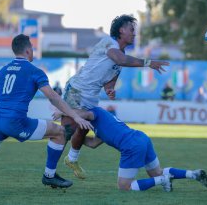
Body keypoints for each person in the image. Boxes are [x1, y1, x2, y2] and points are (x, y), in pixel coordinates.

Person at [0, 34, 93, 191]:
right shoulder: (35, 71)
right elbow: (53, 97)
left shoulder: (3, 70)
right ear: (28, 51)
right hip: (15, 122)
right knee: (60, 132)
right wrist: (75, 116)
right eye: (33, 49)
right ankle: (49, 176)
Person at [62, 15, 170, 179]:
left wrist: (110, 90)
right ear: (121, 30)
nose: (135, 33)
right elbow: (120, 59)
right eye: (132, 29)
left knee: (83, 129)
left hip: (91, 95)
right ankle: (50, 170)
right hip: (77, 89)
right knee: (66, 131)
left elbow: (110, 82)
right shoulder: (109, 43)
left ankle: (71, 159)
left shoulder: (122, 56)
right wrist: (148, 63)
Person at [54, 107, 207, 192]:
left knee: (124, 187)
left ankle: (163, 180)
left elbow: (84, 113)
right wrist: (72, 136)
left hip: (131, 146)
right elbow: (93, 144)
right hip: (141, 138)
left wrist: (63, 111)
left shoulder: (94, 112)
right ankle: (193, 174)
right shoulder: (101, 125)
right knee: (157, 171)